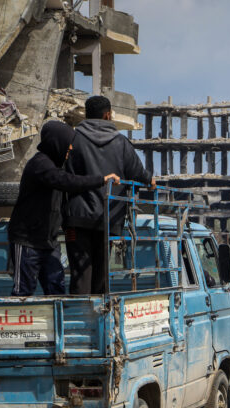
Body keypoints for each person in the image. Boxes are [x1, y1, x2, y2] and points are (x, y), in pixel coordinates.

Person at [7, 121, 120, 296]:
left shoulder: (56, 165)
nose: (69, 150)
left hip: (48, 241)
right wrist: (101, 180)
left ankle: (55, 324)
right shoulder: (40, 165)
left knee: (56, 288)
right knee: (23, 291)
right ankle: (18, 323)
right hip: (27, 240)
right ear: (56, 143)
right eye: (67, 146)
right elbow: (67, 182)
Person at [63, 95, 155, 295]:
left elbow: (61, 174)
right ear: (108, 114)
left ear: (86, 115)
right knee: (101, 273)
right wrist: (150, 180)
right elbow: (137, 172)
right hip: (109, 217)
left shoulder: (72, 139)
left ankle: (79, 319)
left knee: (80, 273)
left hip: (77, 218)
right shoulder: (121, 143)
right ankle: (98, 321)